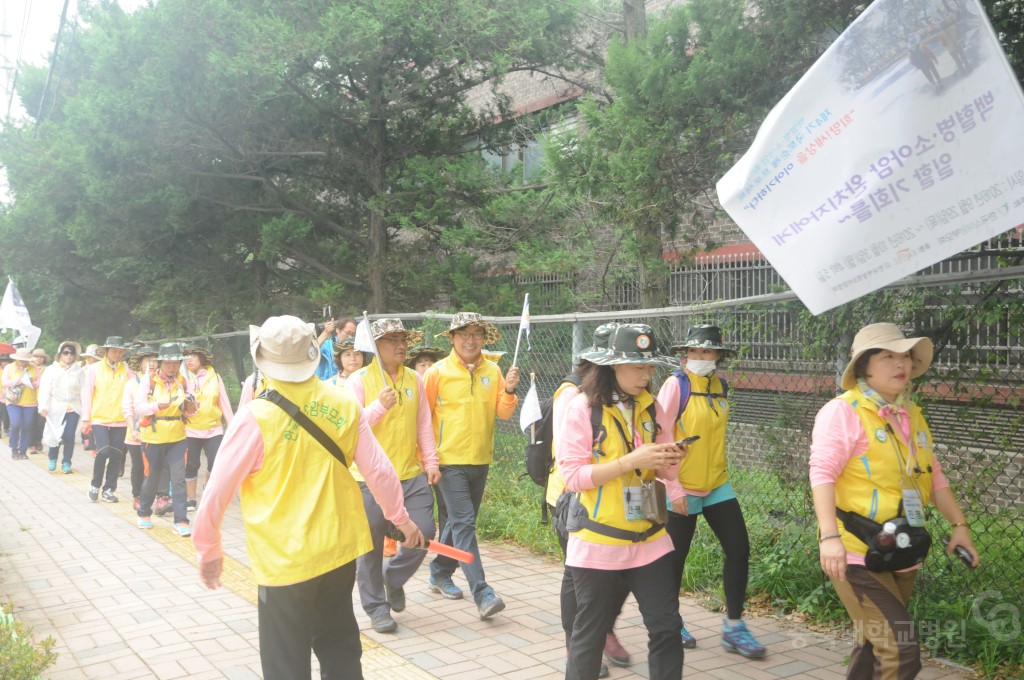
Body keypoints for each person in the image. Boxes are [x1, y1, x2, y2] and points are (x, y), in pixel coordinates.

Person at [193, 315, 425, 680]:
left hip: (284, 561)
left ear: (262, 359)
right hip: (338, 551)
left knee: (286, 662)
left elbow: (216, 493)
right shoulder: (344, 402)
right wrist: (401, 519)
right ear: (313, 354)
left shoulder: (255, 418)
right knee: (340, 650)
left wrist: (209, 550)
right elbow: (379, 470)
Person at [810, 323, 979, 680]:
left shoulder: (910, 414)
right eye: (888, 356)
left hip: (902, 547)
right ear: (863, 367)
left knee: (875, 643)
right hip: (857, 551)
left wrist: (959, 526)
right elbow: (822, 473)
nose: (900, 363)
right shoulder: (842, 412)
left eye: (905, 356)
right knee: (901, 650)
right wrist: (829, 537)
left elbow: (934, 477)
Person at [554, 323, 688, 680]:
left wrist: (673, 459)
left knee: (666, 626)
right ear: (611, 365)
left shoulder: (652, 407)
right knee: (590, 634)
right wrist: (629, 462)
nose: (646, 375)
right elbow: (574, 477)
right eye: (637, 367)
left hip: (650, 541)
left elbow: (665, 475)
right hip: (598, 542)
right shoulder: (581, 408)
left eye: (649, 367)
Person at [657, 324, 766, 657]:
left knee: (739, 549)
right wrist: (672, 486)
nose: (700, 357)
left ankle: (734, 627)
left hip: (717, 483)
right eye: (694, 352)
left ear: (718, 355)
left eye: (707, 352)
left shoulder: (721, 386)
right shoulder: (675, 385)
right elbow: (660, 439)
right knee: (674, 561)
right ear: (685, 354)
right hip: (681, 486)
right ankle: (669, 622)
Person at [547, 323, 632, 677]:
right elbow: (571, 459)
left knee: (617, 576)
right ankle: (579, 647)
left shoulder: (629, 394)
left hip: (614, 499)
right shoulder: (572, 395)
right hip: (572, 499)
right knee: (578, 578)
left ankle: (603, 631)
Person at [422, 312, 519, 619]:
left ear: (483, 338)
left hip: (481, 459)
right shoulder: (437, 372)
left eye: (476, 334)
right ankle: (482, 592)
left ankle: (439, 570)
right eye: (464, 334)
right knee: (464, 523)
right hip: (448, 461)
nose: (470, 339)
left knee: (456, 523)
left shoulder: (493, 370)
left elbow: (503, 413)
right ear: (452, 338)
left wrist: (511, 391)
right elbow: (421, 418)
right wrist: (428, 459)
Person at [346, 318, 440, 633]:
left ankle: (393, 577)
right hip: (367, 480)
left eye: (404, 339)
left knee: (423, 533)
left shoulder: (415, 379)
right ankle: (376, 608)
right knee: (369, 547)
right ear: (376, 346)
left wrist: (431, 460)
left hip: (410, 475)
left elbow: (424, 423)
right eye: (392, 340)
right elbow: (348, 431)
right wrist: (377, 408)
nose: (401, 346)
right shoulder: (358, 381)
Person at [135, 343, 196, 536]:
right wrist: (155, 407)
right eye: (168, 363)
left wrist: (192, 408)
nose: (172, 367)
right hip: (153, 438)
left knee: (178, 480)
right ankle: (144, 513)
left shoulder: (184, 381)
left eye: (175, 363)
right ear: (160, 363)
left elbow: (191, 410)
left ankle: (181, 521)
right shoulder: (149, 381)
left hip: (177, 437)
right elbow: (139, 407)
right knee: (153, 478)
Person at [82, 336, 133, 502]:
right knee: (103, 451)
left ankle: (109, 489)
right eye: (113, 351)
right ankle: (95, 485)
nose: (117, 354)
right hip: (99, 418)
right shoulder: (94, 369)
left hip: (120, 418)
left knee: (117, 455)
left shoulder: (127, 369)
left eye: (120, 351)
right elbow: (87, 393)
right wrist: (86, 418)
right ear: (106, 352)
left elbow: (134, 390)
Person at [183, 345, 234, 509]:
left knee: (216, 462)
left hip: (213, 428)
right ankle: (191, 498)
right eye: (186, 357)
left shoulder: (215, 377)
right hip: (190, 429)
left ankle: (208, 489)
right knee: (191, 464)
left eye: (192, 356)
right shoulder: (182, 378)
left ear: (201, 359)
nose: (189, 359)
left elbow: (224, 402)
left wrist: (232, 426)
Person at [123, 344, 160, 511]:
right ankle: (137, 495)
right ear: (140, 363)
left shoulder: (162, 381)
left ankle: (159, 496)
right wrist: (132, 429)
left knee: (156, 465)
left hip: (158, 433)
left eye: (154, 360)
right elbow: (127, 409)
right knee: (138, 466)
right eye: (147, 360)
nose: (151, 364)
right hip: (136, 434)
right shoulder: (131, 384)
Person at [38, 341, 84, 474]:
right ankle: (52, 458)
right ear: (60, 355)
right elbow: (45, 389)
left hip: (73, 406)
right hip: (55, 406)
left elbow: (84, 390)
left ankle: (67, 461)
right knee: (55, 434)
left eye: (72, 353)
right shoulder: (51, 370)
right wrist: (43, 406)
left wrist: (87, 409)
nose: (69, 356)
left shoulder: (78, 371)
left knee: (69, 436)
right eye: (66, 353)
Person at [2, 347, 41, 460]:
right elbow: (4, 383)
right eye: (22, 360)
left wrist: (31, 383)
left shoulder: (33, 368)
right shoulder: (10, 367)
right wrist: (18, 381)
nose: (24, 362)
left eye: (26, 360)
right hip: (13, 401)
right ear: (17, 359)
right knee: (16, 423)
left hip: (30, 402)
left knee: (27, 426)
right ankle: (14, 448)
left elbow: (39, 381)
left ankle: (23, 450)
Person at [315, 315, 358, 380]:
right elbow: (311, 351)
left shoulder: (357, 348)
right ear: (338, 330)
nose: (350, 337)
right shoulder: (327, 345)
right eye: (348, 333)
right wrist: (325, 333)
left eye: (353, 335)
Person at [28, 348, 49, 453]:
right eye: (36, 356)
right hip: (30, 399)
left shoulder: (47, 369)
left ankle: (38, 440)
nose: (39, 359)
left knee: (41, 422)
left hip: (43, 399)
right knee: (31, 422)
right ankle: (31, 443)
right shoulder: (28, 368)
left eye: (41, 357)